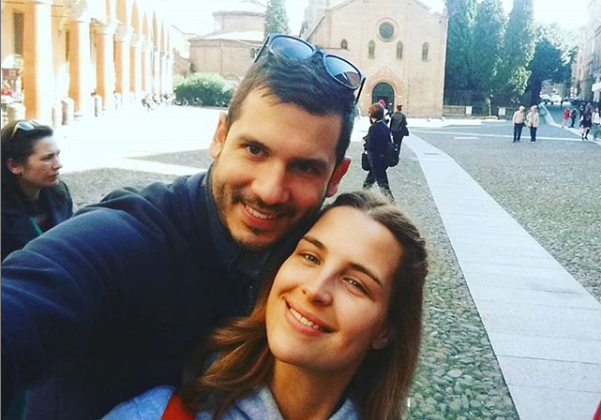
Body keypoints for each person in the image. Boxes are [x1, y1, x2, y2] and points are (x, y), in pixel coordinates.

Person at [1, 34, 364, 420]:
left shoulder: (314, 264)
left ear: (336, 177)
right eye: (255, 150)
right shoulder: (127, 238)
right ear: (220, 136)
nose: (270, 191)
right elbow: (25, 303)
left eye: (305, 167)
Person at [102, 191, 428, 420]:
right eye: (310, 257)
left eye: (355, 283)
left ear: (386, 331)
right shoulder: (155, 414)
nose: (315, 289)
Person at [1, 120, 73, 261]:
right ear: (14, 165)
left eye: (57, 155)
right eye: (47, 158)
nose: (58, 165)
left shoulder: (60, 193)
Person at [362, 103, 394, 202]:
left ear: (371, 114)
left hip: (376, 160)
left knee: (383, 185)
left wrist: (364, 144)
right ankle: (362, 199)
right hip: (383, 158)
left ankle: (392, 204)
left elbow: (371, 146)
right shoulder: (384, 126)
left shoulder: (373, 128)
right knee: (368, 183)